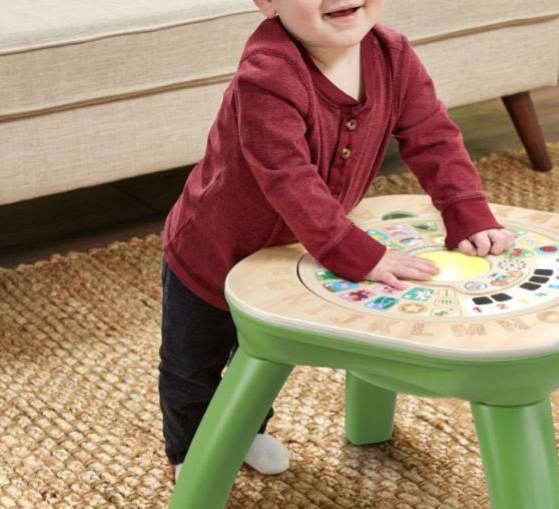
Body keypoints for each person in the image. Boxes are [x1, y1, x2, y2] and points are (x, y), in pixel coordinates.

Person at [159, 0, 515, 482]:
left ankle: (246, 430)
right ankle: (191, 453)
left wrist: (466, 211)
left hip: (284, 255)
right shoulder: (267, 73)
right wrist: (356, 253)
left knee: (260, 357)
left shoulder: (394, 56)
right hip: (212, 251)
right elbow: (288, 177)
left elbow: (432, 136)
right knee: (192, 365)